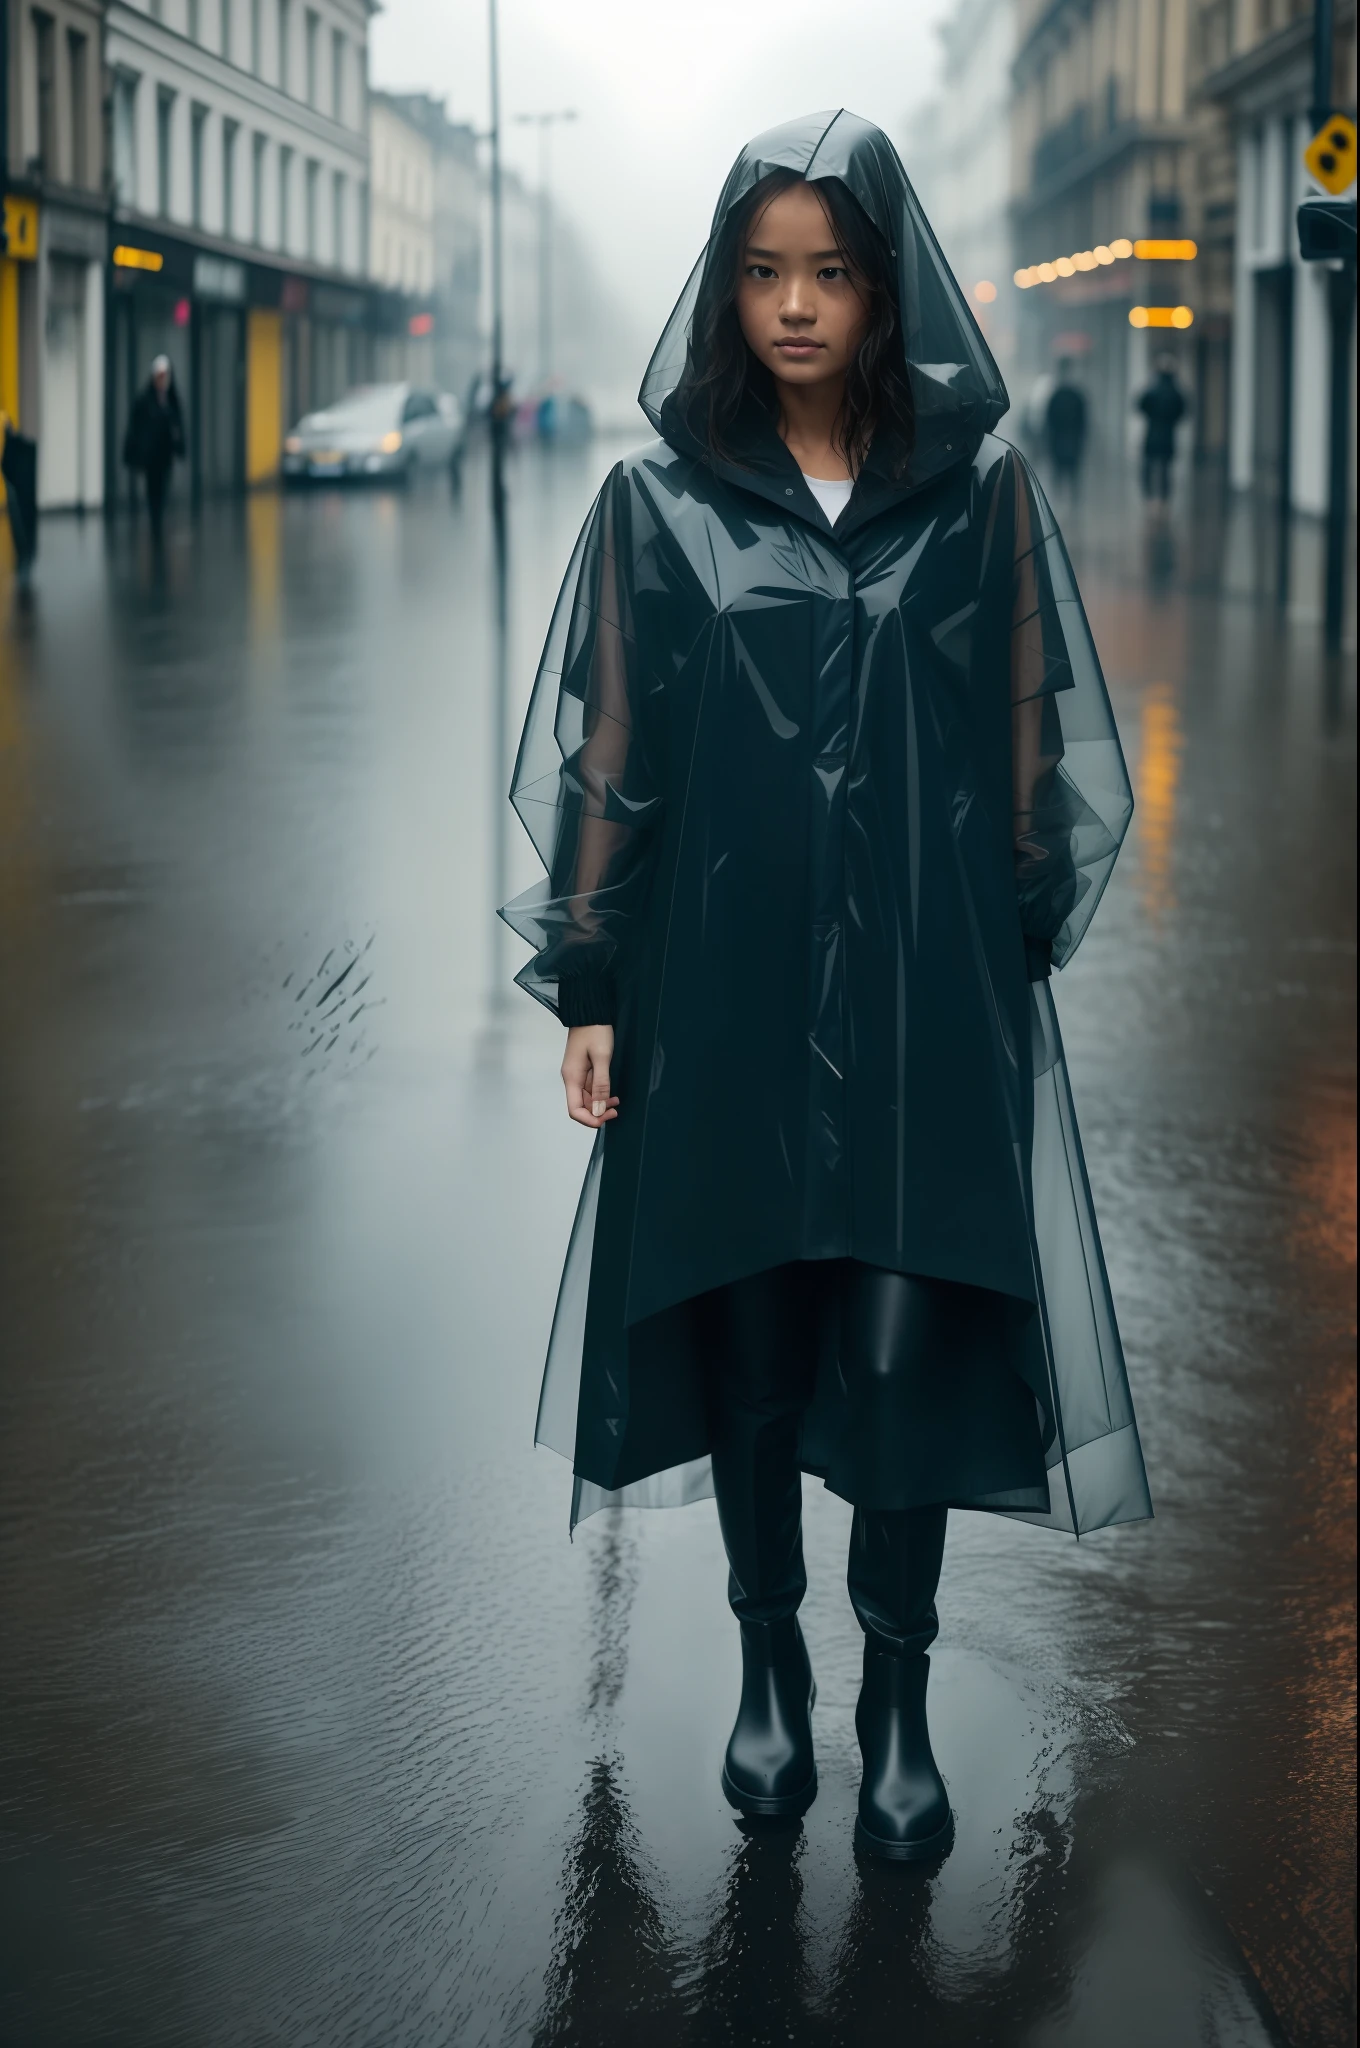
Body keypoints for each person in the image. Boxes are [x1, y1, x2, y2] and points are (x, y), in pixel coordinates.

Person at [500, 113, 1150, 1865]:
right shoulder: (659, 504)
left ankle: (901, 1696)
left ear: (888, 285)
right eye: (765, 271)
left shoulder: (980, 492)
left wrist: (1011, 944)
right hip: (721, 1003)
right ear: (729, 292)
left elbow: (1034, 743)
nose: (796, 305)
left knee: (905, 1334)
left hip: (930, 997)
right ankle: (772, 1664)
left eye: (832, 270)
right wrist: (589, 981)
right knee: (761, 1344)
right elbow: (611, 754)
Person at [123, 355, 186, 544]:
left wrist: (179, 447)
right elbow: (136, 427)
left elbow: (178, 426)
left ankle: (158, 521)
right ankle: (154, 523)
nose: (162, 380)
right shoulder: (145, 400)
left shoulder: (171, 400)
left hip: (165, 455)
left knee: (162, 489)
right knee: (153, 490)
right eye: (159, 376)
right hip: (151, 456)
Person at [1136, 356, 1187, 502]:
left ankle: (1149, 497)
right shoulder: (1176, 392)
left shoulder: (1152, 390)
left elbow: (1140, 406)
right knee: (1165, 469)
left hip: (1152, 434)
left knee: (1148, 467)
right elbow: (1182, 412)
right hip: (1168, 435)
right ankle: (1164, 499)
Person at [1, 412, 39, 584]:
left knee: (21, 507)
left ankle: (26, 553)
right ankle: (26, 553)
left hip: (21, 447)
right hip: (20, 446)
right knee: (21, 507)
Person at [1044, 359, 1087, 496]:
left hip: (1062, 441)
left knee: (1062, 475)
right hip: (1070, 441)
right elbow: (1083, 422)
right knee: (1071, 475)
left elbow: (1048, 421)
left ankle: (1060, 502)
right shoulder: (1075, 395)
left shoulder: (1056, 396)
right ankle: (1068, 503)